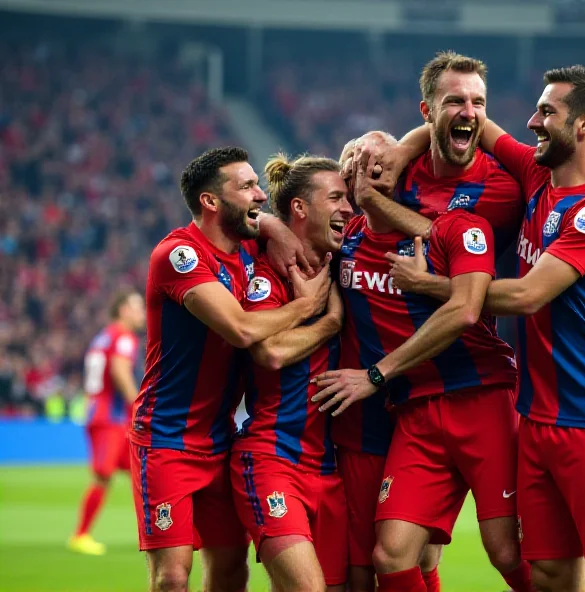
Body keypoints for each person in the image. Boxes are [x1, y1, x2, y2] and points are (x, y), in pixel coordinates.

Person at [372, 65, 585, 592]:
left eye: (547, 112)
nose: (531, 122)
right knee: (547, 572)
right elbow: (468, 120)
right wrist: (406, 145)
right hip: (537, 418)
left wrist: (433, 284)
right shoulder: (536, 176)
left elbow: (525, 295)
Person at [331, 52, 530, 592]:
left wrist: (376, 197)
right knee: (391, 556)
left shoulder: (502, 190)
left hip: (481, 389)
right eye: (454, 102)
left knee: (507, 550)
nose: (468, 112)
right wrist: (385, 152)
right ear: (427, 111)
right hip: (416, 402)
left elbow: (457, 262)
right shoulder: (404, 170)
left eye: (478, 103)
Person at [129, 146, 331, 592]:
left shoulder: (248, 245)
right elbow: (240, 329)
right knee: (173, 578)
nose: (260, 194)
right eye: (247, 186)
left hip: (220, 439)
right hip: (166, 438)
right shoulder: (179, 255)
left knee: (231, 570)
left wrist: (274, 227)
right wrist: (308, 307)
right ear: (211, 202)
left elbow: (268, 222)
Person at [230, 153, 352, 592]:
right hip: (272, 458)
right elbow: (271, 353)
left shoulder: (345, 266)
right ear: (300, 209)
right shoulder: (269, 273)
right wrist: (328, 322)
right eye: (336, 198)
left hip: (329, 469)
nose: (348, 209)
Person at [68, 288, 145, 556]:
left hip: (98, 412)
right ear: (123, 310)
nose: (142, 314)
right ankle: (80, 536)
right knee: (104, 476)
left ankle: (155, 531)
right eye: (137, 308)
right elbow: (120, 370)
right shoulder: (124, 337)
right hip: (110, 417)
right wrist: (137, 405)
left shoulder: (104, 336)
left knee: (141, 472)